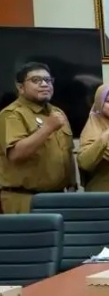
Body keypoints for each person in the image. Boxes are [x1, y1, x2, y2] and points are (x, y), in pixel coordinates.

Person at [0, 62, 76, 213]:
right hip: (25, 198)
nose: (44, 84)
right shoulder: (12, 114)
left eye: (48, 80)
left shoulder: (57, 113)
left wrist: (72, 184)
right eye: (36, 80)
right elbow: (16, 154)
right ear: (20, 87)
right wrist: (48, 128)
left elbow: (66, 152)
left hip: (58, 196)